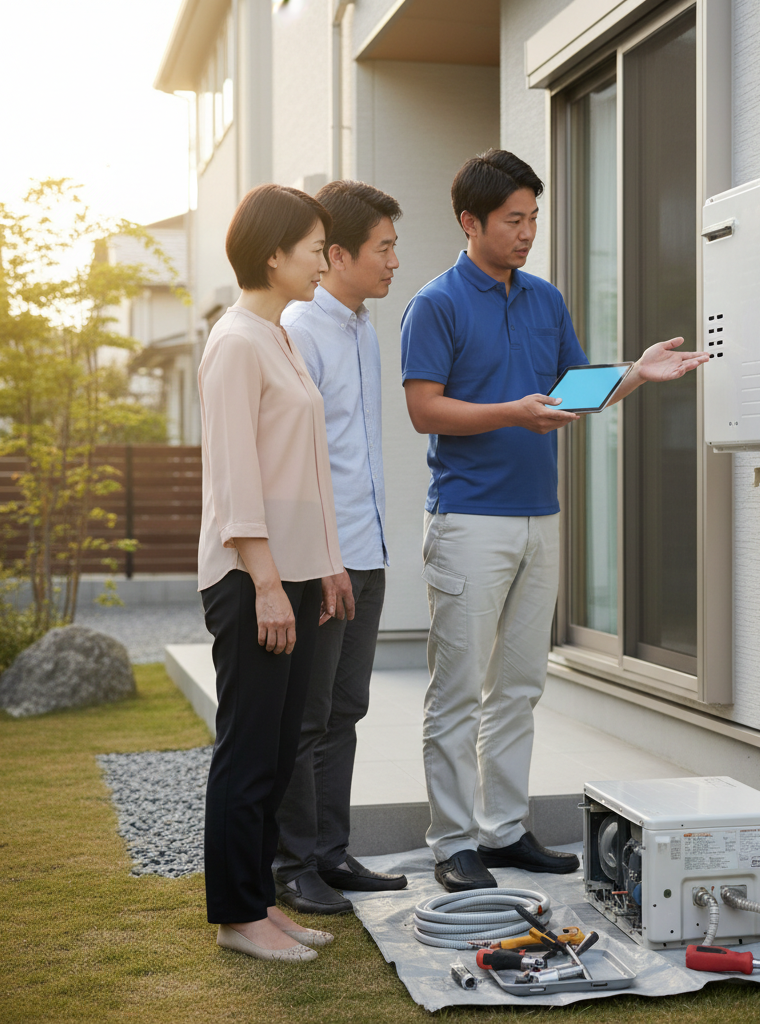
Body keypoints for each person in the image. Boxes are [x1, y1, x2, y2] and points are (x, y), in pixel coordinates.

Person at [400, 149, 710, 892]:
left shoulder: (545, 300)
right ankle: (452, 843)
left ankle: (502, 831)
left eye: (534, 217)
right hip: (468, 520)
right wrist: (511, 411)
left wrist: (635, 373)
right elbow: (422, 409)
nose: (528, 231)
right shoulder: (435, 303)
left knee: (519, 684)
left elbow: (576, 392)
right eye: (514, 219)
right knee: (457, 688)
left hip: (542, 517)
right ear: (470, 222)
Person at [198, 183, 354, 961]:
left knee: (282, 747)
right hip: (248, 579)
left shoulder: (279, 338)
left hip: (291, 574)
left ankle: (260, 902)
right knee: (250, 749)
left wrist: (324, 567)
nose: (323, 260)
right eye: (314, 246)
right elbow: (236, 481)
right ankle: (236, 915)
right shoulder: (234, 342)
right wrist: (264, 583)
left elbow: (306, 471)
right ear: (272, 254)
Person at [273, 180, 408, 914]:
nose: (394, 260)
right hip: (324, 558)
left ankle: (330, 852)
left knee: (347, 708)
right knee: (309, 715)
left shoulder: (363, 327)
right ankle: (293, 863)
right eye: (384, 247)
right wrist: (326, 561)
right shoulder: (299, 329)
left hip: (368, 548)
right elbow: (300, 462)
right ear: (338, 254)